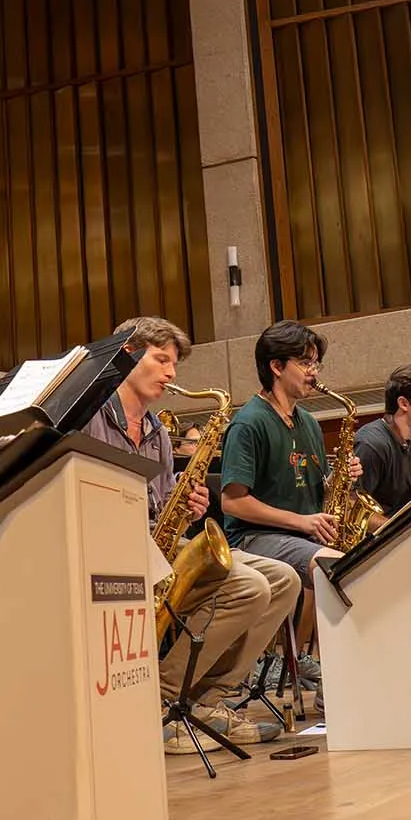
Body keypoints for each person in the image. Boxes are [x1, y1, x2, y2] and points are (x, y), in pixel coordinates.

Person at [84, 317, 299, 753]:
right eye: (161, 360)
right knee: (248, 584)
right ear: (127, 354)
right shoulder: (89, 418)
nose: (171, 373)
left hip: (158, 544)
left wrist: (188, 511)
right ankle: (162, 698)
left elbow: (163, 512)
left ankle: (205, 700)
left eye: (175, 364)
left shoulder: (158, 434)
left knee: (284, 580)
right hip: (107, 544)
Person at [218, 321, 359, 684]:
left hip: (302, 537)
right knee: (337, 568)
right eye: (305, 363)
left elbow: (320, 489)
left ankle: (319, 663)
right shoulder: (247, 424)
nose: (314, 373)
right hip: (252, 539)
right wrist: (301, 522)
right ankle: (335, 677)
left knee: (367, 561)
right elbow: (233, 503)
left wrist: (345, 475)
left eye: (316, 364)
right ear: (276, 367)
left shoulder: (309, 423)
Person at [353, 364, 411, 519]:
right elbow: (350, 503)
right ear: (404, 403)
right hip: (377, 541)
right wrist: (394, 531)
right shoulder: (372, 445)